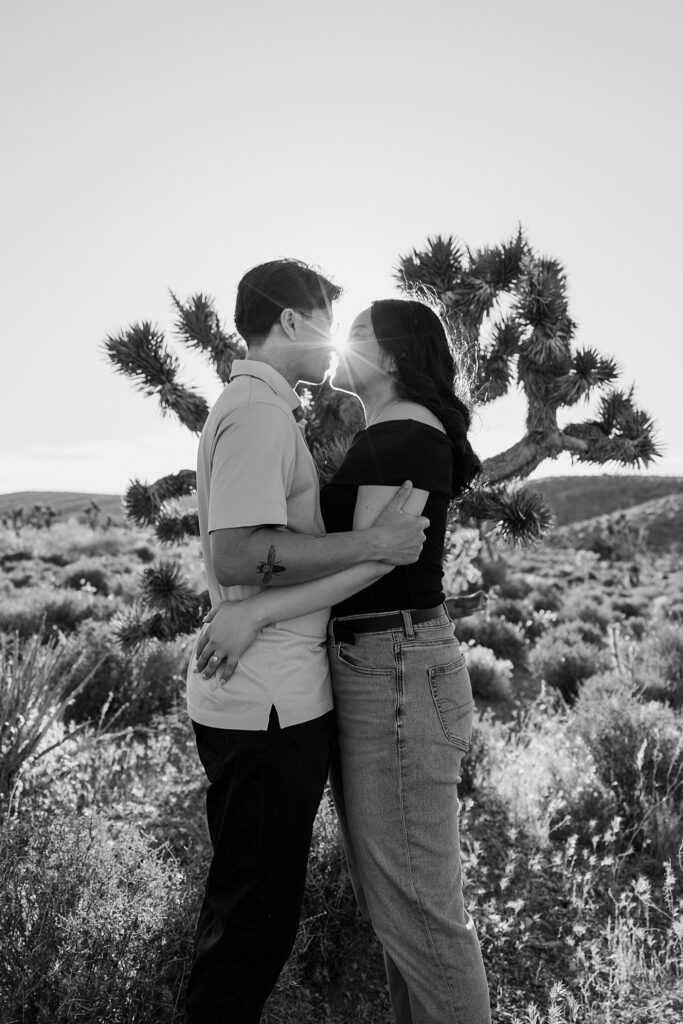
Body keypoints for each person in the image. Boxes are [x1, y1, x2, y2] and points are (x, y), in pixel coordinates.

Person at [196, 296, 492, 1023]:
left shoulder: (405, 435)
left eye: (356, 333)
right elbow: (368, 552)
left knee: (418, 915)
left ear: (389, 357)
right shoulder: (390, 430)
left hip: (394, 666)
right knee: (400, 912)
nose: (341, 343)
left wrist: (254, 609)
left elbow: (374, 561)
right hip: (382, 664)